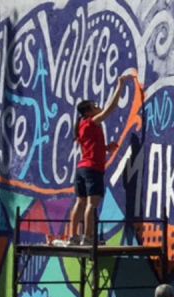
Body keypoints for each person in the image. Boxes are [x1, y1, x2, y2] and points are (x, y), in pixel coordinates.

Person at [66, 74, 131, 246]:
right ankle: (88, 238)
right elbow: (111, 108)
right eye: (95, 106)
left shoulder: (81, 126)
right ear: (88, 112)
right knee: (92, 204)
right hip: (92, 169)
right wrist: (120, 85)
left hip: (81, 168)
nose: (98, 107)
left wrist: (105, 148)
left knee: (80, 202)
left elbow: (89, 148)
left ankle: (73, 237)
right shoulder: (90, 122)